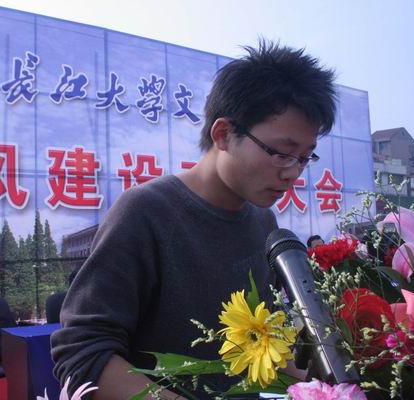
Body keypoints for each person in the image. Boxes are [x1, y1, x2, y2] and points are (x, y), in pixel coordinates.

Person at [51, 40, 337, 399]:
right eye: (282, 153)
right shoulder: (145, 212)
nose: (293, 173)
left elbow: (258, 345)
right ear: (223, 134)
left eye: (305, 158)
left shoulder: (264, 223)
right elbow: (82, 354)